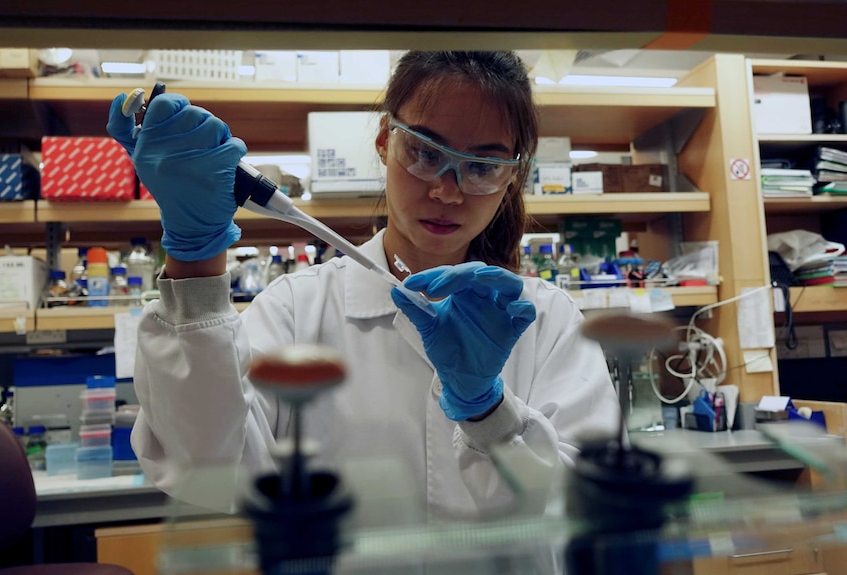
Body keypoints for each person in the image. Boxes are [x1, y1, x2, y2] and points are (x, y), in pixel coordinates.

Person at [106, 50, 621, 519]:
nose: (446, 191)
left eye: (483, 167)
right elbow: (207, 473)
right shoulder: (296, 309)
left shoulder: (547, 320)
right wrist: (196, 258)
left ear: (512, 176)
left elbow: (585, 506)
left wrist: (488, 411)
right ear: (384, 140)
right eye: (424, 152)